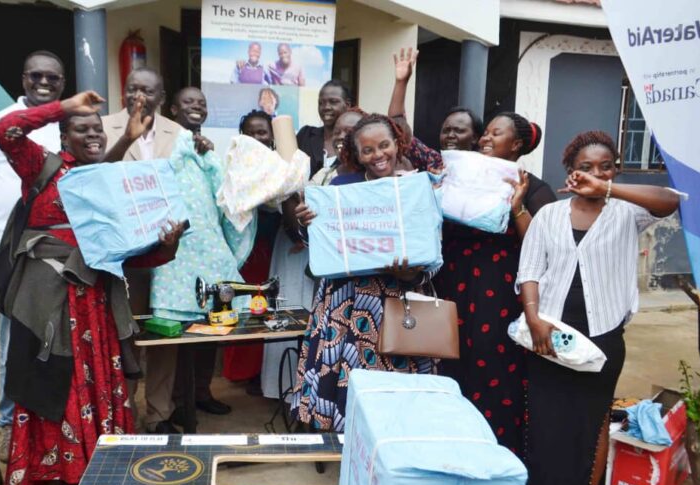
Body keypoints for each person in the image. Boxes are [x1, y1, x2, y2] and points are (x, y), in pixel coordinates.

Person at [0, 91, 185, 485]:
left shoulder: (107, 181)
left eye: (98, 128)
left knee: (101, 383)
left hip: (96, 303)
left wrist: (166, 247)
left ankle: (98, 474)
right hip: (47, 304)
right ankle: (52, 484)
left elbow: (128, 253)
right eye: (82, 128)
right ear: (64, 136)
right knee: (51, 387)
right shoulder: (41, 167)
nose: (93, 134)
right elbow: (4, 131)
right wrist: (65, 106)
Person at [518, 131, 681, 485]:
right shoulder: (549, 215)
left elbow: (670, 201)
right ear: (570, 171)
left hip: (603, 333)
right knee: (546, 418)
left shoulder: (628, 212)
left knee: (592, 422)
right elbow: (530, 270)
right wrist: (534, 318)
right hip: (549, 333)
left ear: (615, 171)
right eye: (586, 167)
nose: (596, 173)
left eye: (605, 167)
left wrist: (606, 189)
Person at [290, 114, 438, 431]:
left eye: (384, 145)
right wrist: (306, 225)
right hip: (344, 305)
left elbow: (433, 255)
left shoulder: (416, 188)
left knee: (396, 399)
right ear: (356, 155)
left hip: (397, 303)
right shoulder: (340, 188)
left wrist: (411, 276)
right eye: (367, 150)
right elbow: (321, 247)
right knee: (341, 384)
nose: (378, 155)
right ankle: (344, 448)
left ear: (398, 144)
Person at [0, 50, 66, 464]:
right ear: (23, 79)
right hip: (7, 249)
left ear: (63, 83)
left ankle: (55, 423)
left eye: (52, 78)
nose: (44, 83)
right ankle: (8, 425)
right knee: (13, 340)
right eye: (36, 76)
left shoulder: (67, 124)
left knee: (58, 340)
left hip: (58, 250)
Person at [432, 111, 555, 456]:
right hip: (451, 287)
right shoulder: (459, 177)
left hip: (497, 296)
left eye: (495, 133)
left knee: (493, 368)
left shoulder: (533, 187)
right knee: (448, 364)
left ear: (516, 145)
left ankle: (495, 452)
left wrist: (518, 207)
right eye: (485, 132)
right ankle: (449, 448)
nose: (485, 138)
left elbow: (544, 246)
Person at [149, 87, 243, 418]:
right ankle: (177, 402)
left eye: (201, 103)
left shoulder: (208, 150)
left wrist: (208, 157)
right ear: (173, 109)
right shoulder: (163, 142)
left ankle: (201, 392)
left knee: (211, 321)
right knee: (177, 329)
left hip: (209, 247)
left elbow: (224, 195)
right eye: (188, 102)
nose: (196, 107)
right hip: (178, 250)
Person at [103, 68, 185, 434]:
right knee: (127, 331)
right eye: (132, 88)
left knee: (165, 331)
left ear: (161, 97)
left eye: (148, 91)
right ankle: (124, 414)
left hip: (169, 248)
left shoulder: (178, 133)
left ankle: (158, 415)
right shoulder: (104, 127)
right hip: (125, 251)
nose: (139, 96)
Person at [221, 111, 281, 390]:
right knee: (242, 308)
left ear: (272, 136)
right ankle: (239, 372)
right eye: (250, 133)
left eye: (262, 132)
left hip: (271, 248)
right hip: (243, 252)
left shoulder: (281, 164)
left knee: (266, 310)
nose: (256, 138)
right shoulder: (233, 166)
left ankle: (259, 374)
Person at [296, 79, 353, 177]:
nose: (326, 107)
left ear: (347, 105)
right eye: (321, 103)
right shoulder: (306, 135)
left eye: (333, 102)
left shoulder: (355, 141)